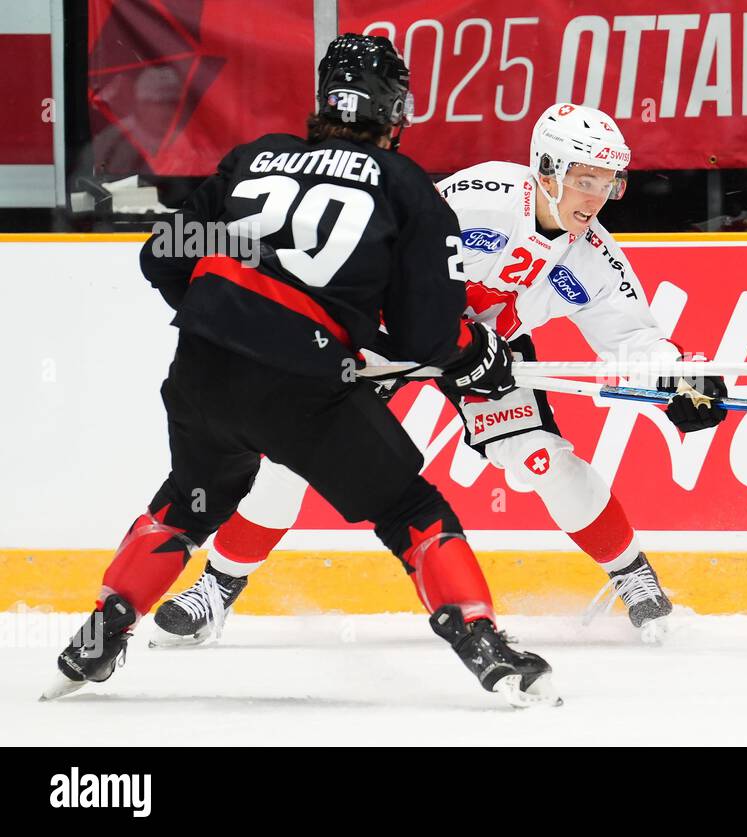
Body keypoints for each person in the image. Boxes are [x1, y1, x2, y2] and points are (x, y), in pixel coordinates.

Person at [45, 34, 558, 707]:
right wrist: (476, 358)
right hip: (302, 388)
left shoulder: (255, 157)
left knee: (193, 496)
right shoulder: (408, 188)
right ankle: (483, 643)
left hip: (202, 367)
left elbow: (161, 255)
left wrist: (227, 311)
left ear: (326, 102)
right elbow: (427, 335)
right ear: (394, 110)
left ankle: (100, 631)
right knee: (409, 507)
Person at [152, 102, 729, 647]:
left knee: (540, 460)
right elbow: (390, 243)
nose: (597, 196)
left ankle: (631, 575)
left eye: (609, 182)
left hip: (487, 353)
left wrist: (681, 378)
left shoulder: (595, 258)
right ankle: (218, 586)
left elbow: (634, 341)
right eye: (586, 178)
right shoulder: (482, 196)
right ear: (547, 168)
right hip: (392, 330)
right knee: (290, 457)